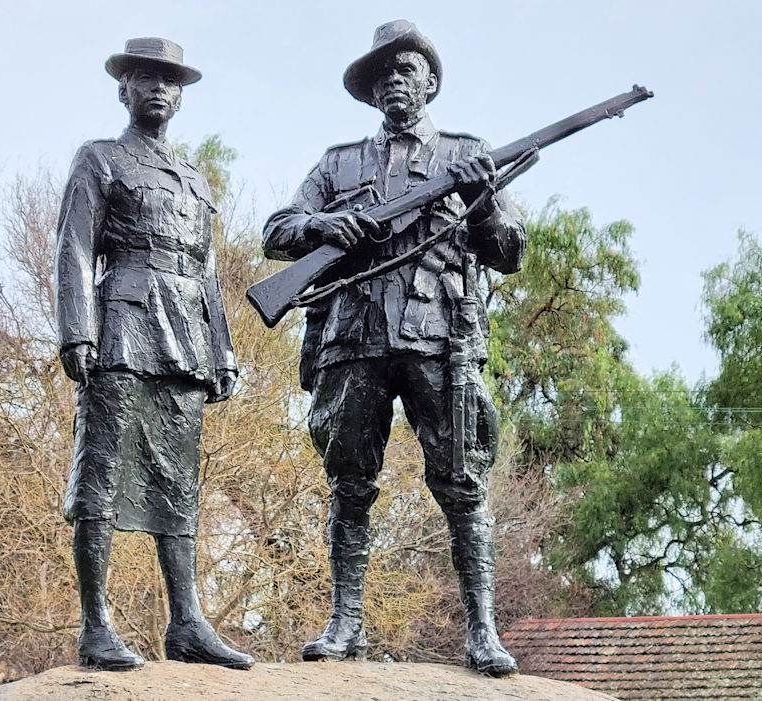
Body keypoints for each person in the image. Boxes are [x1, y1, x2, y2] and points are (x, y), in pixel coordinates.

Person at [262, 20, 525, 676]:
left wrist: (482, 201)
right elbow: (276, 232)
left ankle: (483, 632)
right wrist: (323, 224)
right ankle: (345, 623)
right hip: (353, 339)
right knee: (349, 484)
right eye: (383, 75)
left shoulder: (468, 154)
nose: (394, 82)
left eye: (406, 71)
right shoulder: (338, 165)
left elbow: (511, 251)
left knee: (462, 485)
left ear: (430, 82)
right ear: (371, 91)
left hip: (442, 341)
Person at [54, 37, 253, 671]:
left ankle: (188, 622)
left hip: (186, 336)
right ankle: (95, 625)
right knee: (101, 475)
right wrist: (75, 331)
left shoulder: (194, 180)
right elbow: (75, 249)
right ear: (125, 90)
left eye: (171, 81)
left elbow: (209, 271)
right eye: (146, 79)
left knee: (179, 481)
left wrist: (221, 350)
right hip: (123, 324)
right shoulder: (101, 158)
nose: (160, 89)